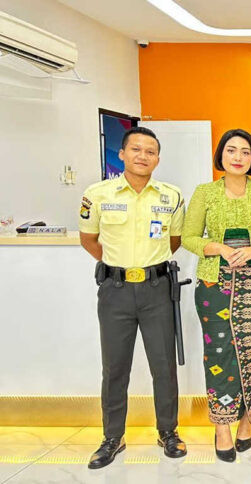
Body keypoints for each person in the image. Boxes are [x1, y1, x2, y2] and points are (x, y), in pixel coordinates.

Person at [78, 126, 187, 469]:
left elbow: (174, 241)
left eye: (150, 151)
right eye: (136, 149)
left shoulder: (171, 196)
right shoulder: (97, 194)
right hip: (116, 291)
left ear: (158, 158)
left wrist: (147, 268)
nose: (143, 156)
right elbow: (89, 239)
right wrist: (119, 268)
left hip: (157, 289)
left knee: (164, 365)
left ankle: (168, 432)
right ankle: (113, 437)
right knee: (115, 367)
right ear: (122, 154)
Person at [181, 129, 251, 462]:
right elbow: (188, 237)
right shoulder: (205, 192)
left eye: (245, 152)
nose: (238, 157)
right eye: (231, 150)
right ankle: (222, 425)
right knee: (218, 352)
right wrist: (219, 248)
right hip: (215, 284)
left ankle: (248, 417)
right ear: (221, 155)